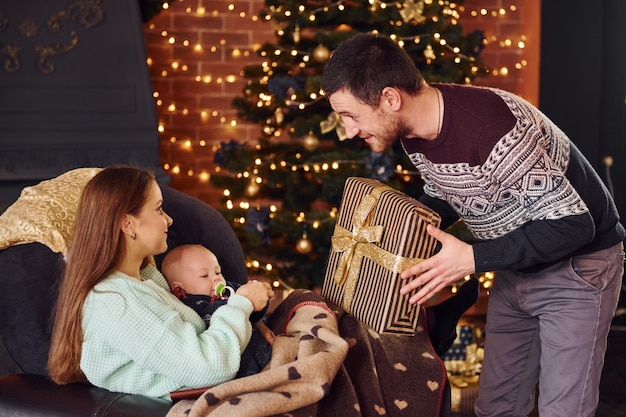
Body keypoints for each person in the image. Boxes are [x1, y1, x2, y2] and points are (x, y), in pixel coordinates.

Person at [321, 32, 625, 417]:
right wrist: (385, 238)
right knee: (495, 407)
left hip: (579, 267)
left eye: (351, 115)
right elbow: (446, 191)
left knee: (563, 410)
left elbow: (573, 224)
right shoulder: (414, 133)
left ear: (390, 99)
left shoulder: (491, 129)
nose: (348, 130)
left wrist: (472, 258)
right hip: (516, 263)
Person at [47, 165, 274, 398]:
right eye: (158, 209)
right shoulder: (116, 302)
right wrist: (242, 304)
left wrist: (250, 321)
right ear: (128, 224)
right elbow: (211, 367)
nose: (168, 219)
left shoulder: (144, 280)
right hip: (200, 394)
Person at [161, 244, 274, 378]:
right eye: (204, 275)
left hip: (263, 348)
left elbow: (255, 313)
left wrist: (259, 298)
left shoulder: (230, 289)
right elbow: (216, 314)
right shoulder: (191, 306)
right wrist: (244, 299)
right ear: (179, 289)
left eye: (217, 272)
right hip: (239, 364)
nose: (216, 278)